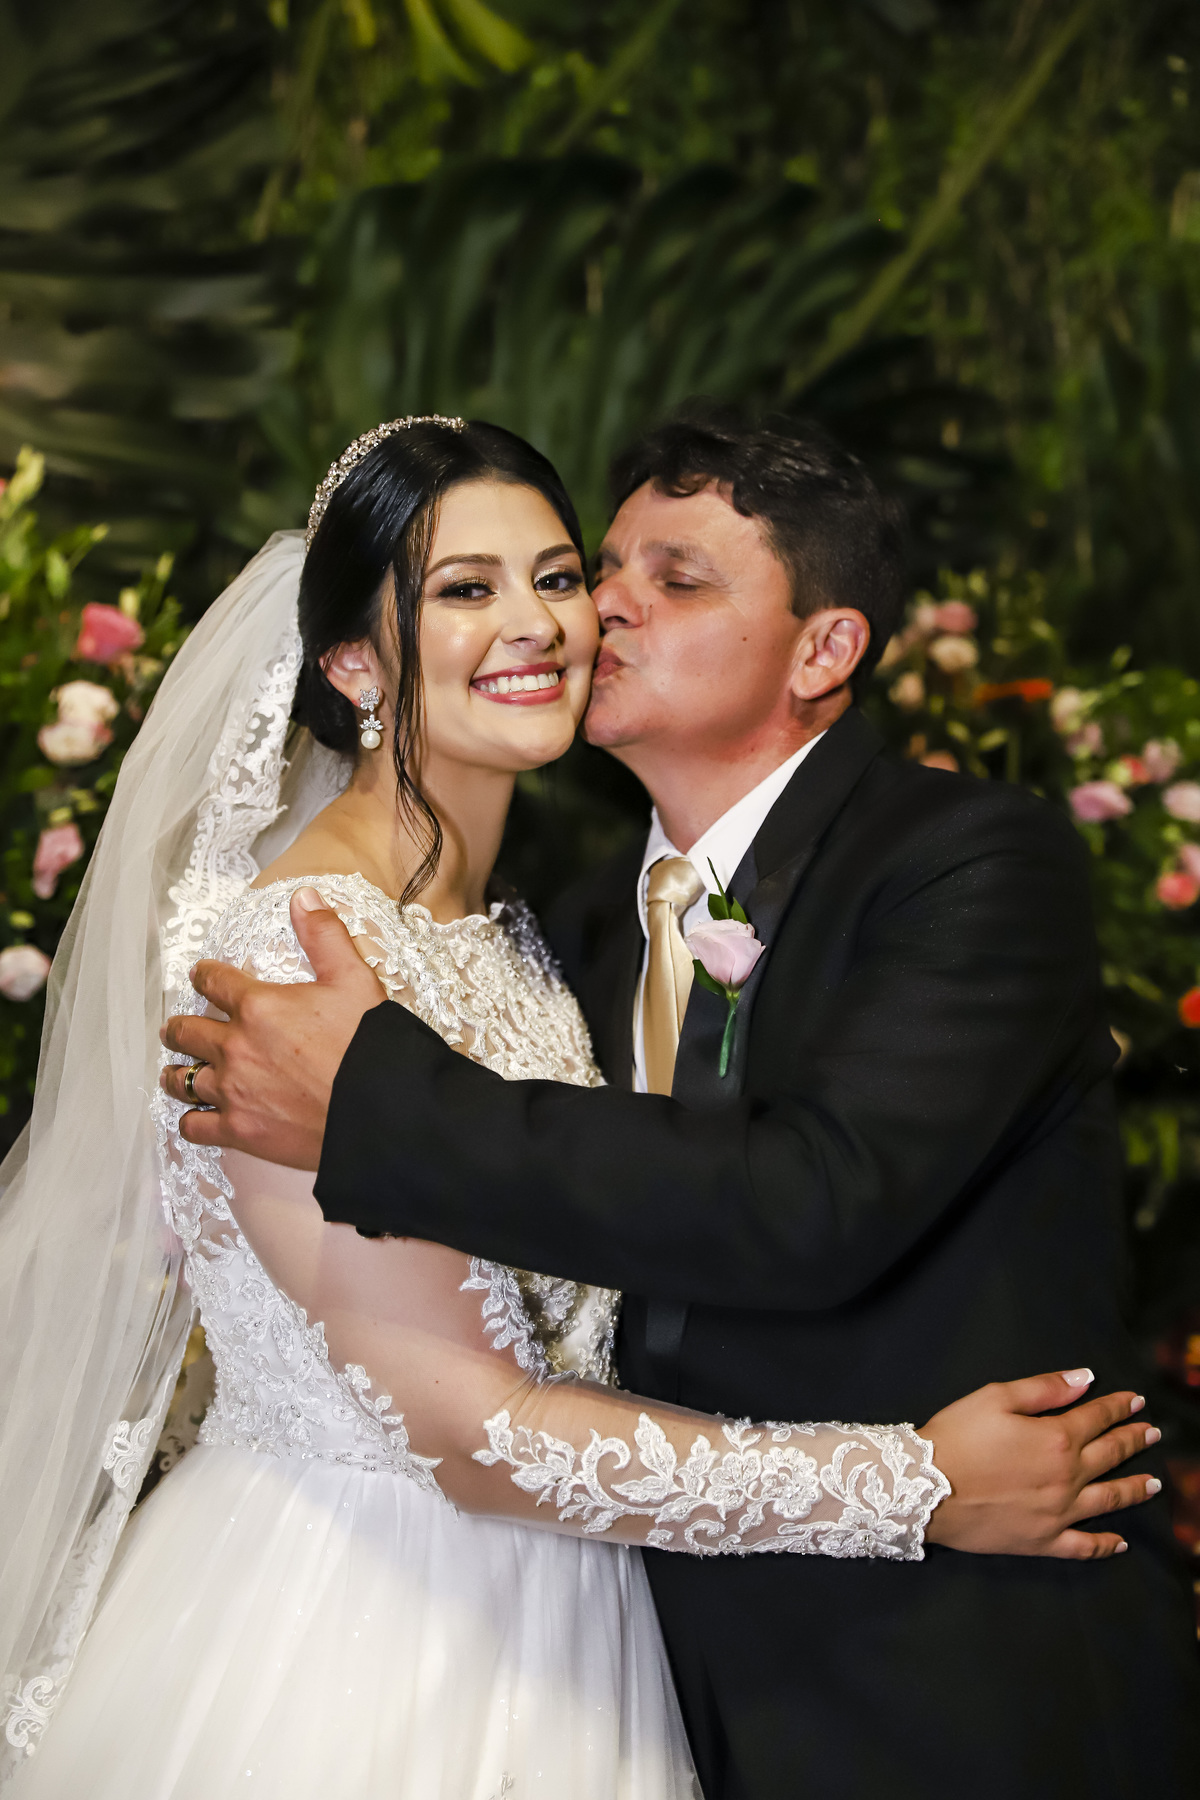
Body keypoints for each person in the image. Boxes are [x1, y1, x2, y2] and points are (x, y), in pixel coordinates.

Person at [0, 416, 1153, 1799]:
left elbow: (800, 1195)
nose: (577, 614)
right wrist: (917, 1482)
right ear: (354, 663)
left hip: (847, 1677)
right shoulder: (293, 964)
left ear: (825, 650)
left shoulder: (594, 925)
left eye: (569, 577)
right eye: (476, 585)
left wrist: (373, 1097)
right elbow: (471, 1427)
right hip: (373, 1640)